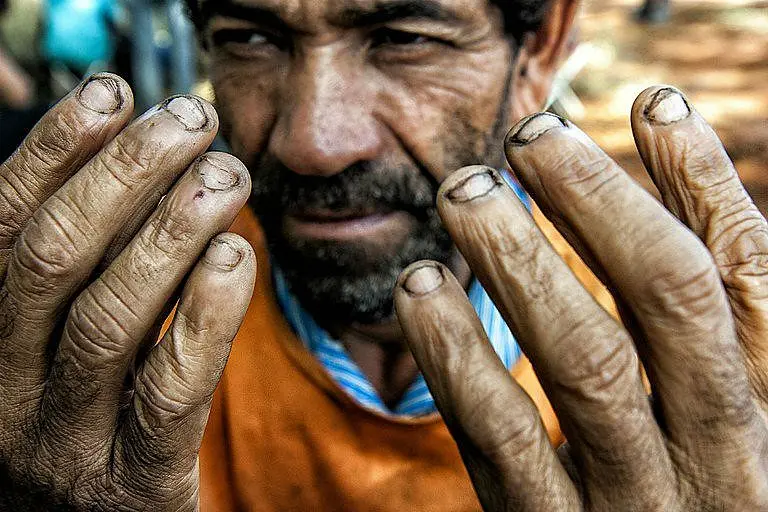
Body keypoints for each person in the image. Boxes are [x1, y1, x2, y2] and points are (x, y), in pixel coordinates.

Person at [0, 0, 767, 511]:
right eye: (251, 37)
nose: (314, 144)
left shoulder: (695, 382)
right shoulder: (90, 356)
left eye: (404, 37)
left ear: (540, 45)